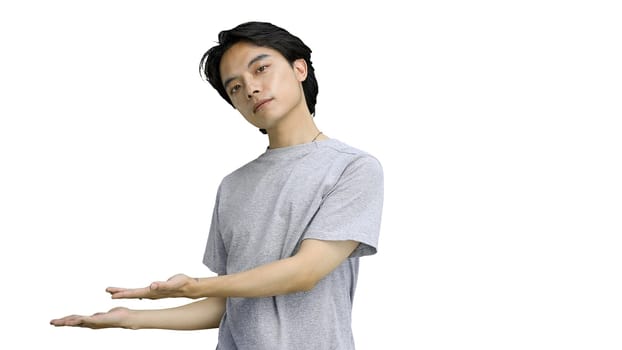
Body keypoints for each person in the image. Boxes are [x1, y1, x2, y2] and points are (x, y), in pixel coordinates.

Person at [50, 21, 384, 350]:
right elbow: (228, 301)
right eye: (235, 87)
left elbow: (305, 272)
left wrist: (195, 286)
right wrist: (132, 318)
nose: (250, 88)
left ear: (300, 68)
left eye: (261, 69)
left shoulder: (352, 168)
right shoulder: (233, 185)